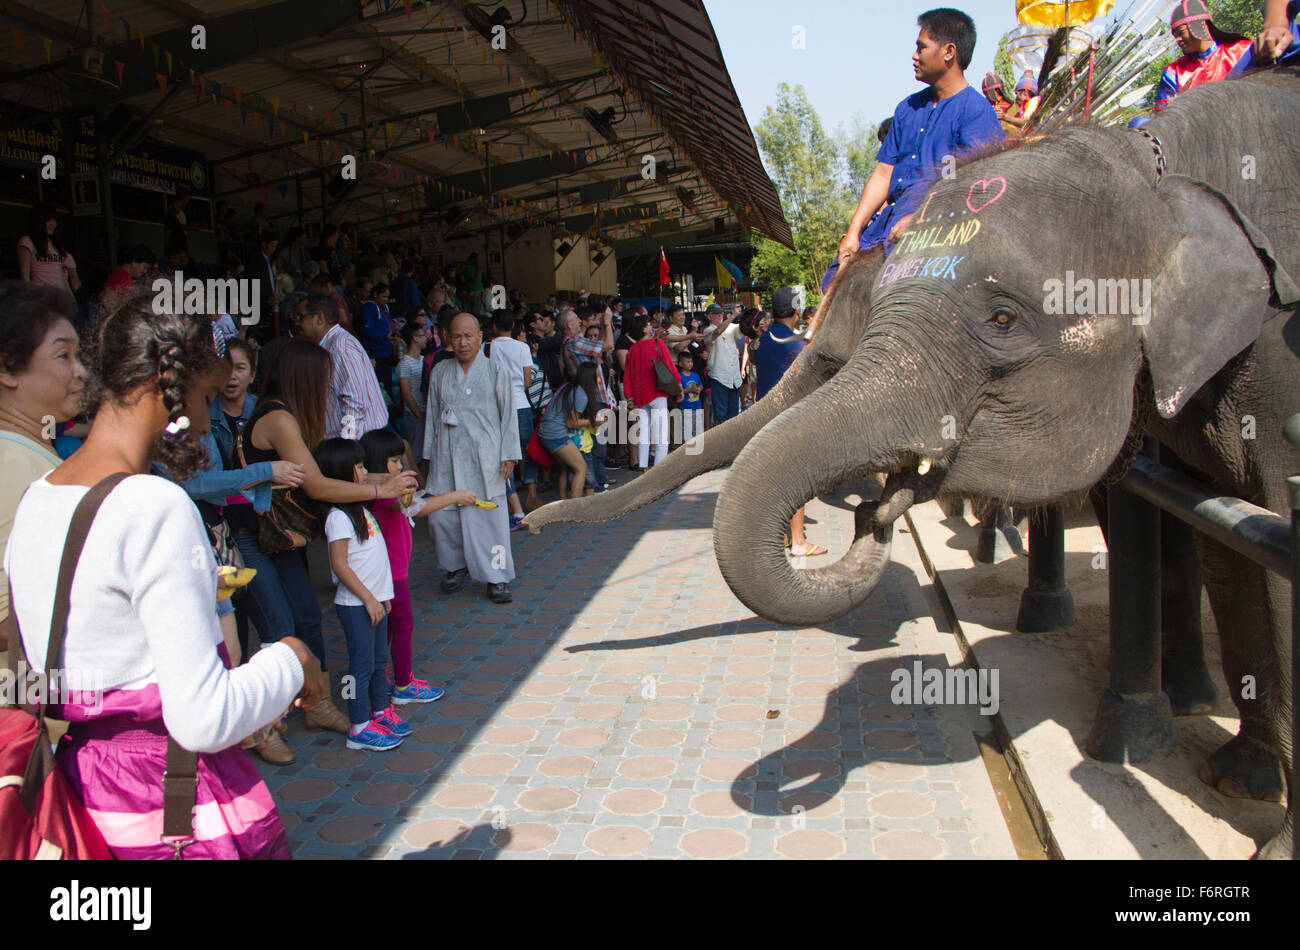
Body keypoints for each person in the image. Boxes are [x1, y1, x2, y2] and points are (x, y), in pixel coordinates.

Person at [4, 294, 326, 859]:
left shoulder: (39, 498)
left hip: (88, 795)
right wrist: (292, 659)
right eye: (203, 396)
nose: (204, 421)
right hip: (171, 805)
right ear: (168, 388)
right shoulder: (152, 506)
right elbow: (204, 717)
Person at [236, 338, 416, 734]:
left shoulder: (292, 415)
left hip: (282, 538)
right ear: (303, 376)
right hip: (257, 537)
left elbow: (336, 476)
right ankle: (267, 724)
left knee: (307, 620)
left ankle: (315, 703)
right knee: (280, 628)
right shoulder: (280, 418)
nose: (329, 386)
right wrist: (379, 490)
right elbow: (319, 486)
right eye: (324, 377)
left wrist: (389, 478)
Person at [824, 8, 1004, 292]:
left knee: (893, 294)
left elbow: (977, 187)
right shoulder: (907, 108)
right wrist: (853, 232)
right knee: (834, 284)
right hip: (890, 220)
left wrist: (921, 220)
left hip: (941, 225)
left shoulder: (976, 112)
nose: (914, 55)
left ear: (949, 52)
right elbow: (884, 173)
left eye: (921, 47)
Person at [360, 428, 473, 707]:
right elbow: (415, 508)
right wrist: (455, 496)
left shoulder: (373, 493)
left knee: (386, 629)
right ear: (379, 463)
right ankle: (403, 684)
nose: (400, 466)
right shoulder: (385, 495)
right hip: (391, 574)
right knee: (402, 626)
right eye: (395, 461)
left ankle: (383, 676)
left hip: (386, 573)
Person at [0, 283, 84, 651]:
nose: (80, 372)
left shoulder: (28, 453)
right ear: (7, 369)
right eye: (63, 355)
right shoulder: (12, 463)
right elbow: (7, 620)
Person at [314, 437, 407, 751]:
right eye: (358, 467)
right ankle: (358, 725)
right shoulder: (338, 517)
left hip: (375, 601)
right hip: (357, 605)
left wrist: (382, 594)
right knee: (360, 667)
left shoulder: (360, 509)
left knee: (380, 660)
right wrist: (368, 597)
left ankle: (379, 711)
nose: (365, 472)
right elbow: (339, 565)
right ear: (341, 473)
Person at [423, 313, 520, 604]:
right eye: (457, 336)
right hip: (446, 454)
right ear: (447, 339)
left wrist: (510, 454)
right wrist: (427, 456)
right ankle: (454, 566)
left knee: (489, 518)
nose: (463, 342)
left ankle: (498, 577)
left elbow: (508, 416)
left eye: (469, 336)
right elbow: (431, 415)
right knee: (442, 515)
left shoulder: (496, 371)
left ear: (480, 338)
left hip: (485, 455)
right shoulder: (440, 370)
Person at [757, 288, 824, 558]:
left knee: (776, 480)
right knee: (795, 480)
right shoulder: (797, 343)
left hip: (765, 415)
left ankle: (783, 535)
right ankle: (798, 541)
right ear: (798, 311)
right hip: (790, 417)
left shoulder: (764, 340)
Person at [296, 293, 389, 439]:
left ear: (319, 318)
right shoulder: (331, 345)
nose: (298, 323)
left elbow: (355, 402)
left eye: (301, 317)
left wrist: (348, 445)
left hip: (360, 442)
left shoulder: (340, 347)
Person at [488, 310, 535, 531]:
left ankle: (515, 509)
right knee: (527, 451)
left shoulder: (489, 346)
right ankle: (532, 495)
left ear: (495, 326)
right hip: (522, 405)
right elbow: (527, 381)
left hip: (499, 408)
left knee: (504, 458)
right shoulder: (523, 347)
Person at [534, 362, 603, 500]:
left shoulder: (569, 386)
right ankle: (573, 507)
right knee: (581, 468)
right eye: (597, 377)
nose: (599, 380)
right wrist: (594, 421)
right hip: (555, 434)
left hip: (545, 431)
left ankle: (563, 502)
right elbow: (572, 423)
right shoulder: (581, 394)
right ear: (589, 377)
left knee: (566, 467)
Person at [623, 312, 681, 471]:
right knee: (662, 435)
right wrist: (678, 384)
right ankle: (658, 470)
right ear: (644, 330)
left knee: (644, 433)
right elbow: (670, 366)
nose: (651, 326)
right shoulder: (658, 344)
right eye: (648, 324)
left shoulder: (632, 350)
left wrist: (629, 395)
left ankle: (643, 466)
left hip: (640, 397)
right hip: (657, 393)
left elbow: (627, 375)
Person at [17, 204, 79, 298]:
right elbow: (25, 278)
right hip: (41, 298)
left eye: (55, 220)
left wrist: (72, 293)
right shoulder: (27, 241)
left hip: (60, 298)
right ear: (38, 221)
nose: (53, 224)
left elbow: (65, 274)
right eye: (48, 220)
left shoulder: (56, 246)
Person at [703, 302, 742, 426]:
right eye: (716, 313)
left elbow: (744, 328)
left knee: (734, 413)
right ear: (709, 316)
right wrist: (733, 316)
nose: (720, 315)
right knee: (721, 413)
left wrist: (749, 317)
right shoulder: (707, 330)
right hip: (720, 377)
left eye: (721, 313)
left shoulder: (731, 327)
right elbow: (716, 332)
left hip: (734, 377)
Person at [397, 321, 428, 472]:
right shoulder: (405, 363)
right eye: (423, 335)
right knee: (417, 454)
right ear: (415, 338)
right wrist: (418, 414)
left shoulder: (423, 360)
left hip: (424, 412)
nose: (426, 338)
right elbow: (406, 392)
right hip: (414, 415)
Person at [243, 231, 279, 341]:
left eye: (275, 246)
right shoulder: (255, 259)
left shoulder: (269, 261)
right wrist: (265, 299)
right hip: (258, 303)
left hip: (268, 302)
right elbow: (252, 282)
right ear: (263, 244)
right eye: (272, 246)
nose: (273, 249)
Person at [677, 349, 704, 443]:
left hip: (697, 406)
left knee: (698, 430)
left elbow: (700, 385)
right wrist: (689, 390)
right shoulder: (679, 376)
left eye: (691, 361)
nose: (690, 364)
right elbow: (678, 391)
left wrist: (699, 389)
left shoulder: (695, 375)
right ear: (680, 364)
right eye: (688, 362)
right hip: (686, 408)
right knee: (687, 431)